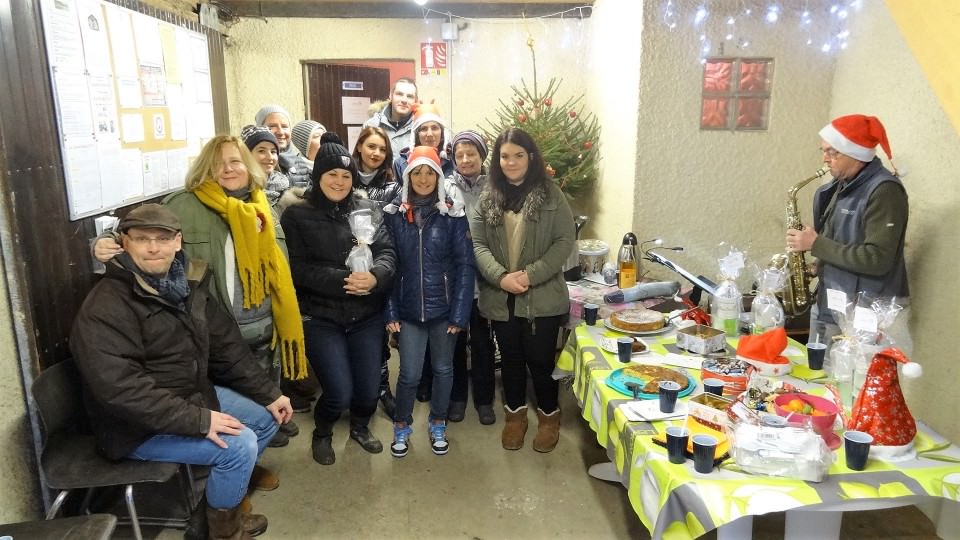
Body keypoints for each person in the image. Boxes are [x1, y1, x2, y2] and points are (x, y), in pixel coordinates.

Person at [71, 204, 293, 539]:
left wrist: (270, 393)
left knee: (265, 417)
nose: (153, 247)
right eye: (142, 238)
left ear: (178, 242)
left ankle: (223, 498)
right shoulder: (105, 306)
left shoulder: (188, 284)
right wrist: (199, 420)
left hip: (188, 396)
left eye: (162, 238)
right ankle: (221, 530)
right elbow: (122, 391)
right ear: (124, 243)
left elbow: (227, 348)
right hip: (133, 426)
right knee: (240, 445)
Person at [94, 135, 309, 451]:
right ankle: (236, 462)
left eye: (235, 161)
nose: (228, 169)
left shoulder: (262, 204)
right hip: (218, 326)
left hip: (264, 325)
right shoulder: (184, 204)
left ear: (248, 165)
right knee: (226, 415)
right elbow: (148, 228)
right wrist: (108, 239)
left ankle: (256, 452)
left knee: (263, 401)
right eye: (217, 164)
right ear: (204, 169)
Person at [281, 132, 397, 465]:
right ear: (318, 176)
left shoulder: (368, 209)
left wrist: (375, 277)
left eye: (346, 175)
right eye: (332, 173)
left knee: (367, 389)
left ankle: (360, 427)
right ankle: (323, 431)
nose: (339, 181)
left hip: (366, 315)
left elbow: (387, 252)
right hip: (322, 317)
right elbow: (297, 269)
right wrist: (344, 281)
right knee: (339, 391)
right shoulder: (297, 215)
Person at [470, 128, 574, 453]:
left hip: (541, 298)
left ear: (531, 157)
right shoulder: (488, 197)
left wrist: (530, 275)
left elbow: (563, 241)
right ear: (496, 160)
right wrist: (501, 278)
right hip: (501, 298)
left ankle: (548, 416)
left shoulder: (551, 194)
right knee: (511, 360)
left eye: (518, 155)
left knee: (541, 362)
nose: (511, 162)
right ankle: (515, 416)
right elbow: (478, 244)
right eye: (504, 156)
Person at [786, 114, 911, 353]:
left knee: (848, 383)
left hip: (865, 314)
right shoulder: (838, 186)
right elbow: (844, 241)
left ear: (856, 155)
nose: (825, 159)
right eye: (823, 151)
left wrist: (816, 244)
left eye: (833, 153)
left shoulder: (884, 190)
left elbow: (877, 259)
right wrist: (816, 266)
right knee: (819, 377)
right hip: (832, 301)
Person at [383, 146, 474, 457]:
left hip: (444, 311)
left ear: (438, 177)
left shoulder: (452, 214)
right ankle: (401, 425)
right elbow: (389, 266)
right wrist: (391, 310)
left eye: (430, 172)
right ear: (408, 176)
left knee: (443, 369)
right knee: (408, 374)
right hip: (408, 311)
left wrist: (460, 313)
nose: (423, 178)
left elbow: (464, 265)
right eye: (417, 172)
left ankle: (438, 420)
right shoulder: (394, 215)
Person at [445, 130, 498, 425]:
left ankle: (484, 399)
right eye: (460, 155)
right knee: (454, 340)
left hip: (486, 278)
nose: (465, 160)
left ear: (482, 156)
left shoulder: (495, 188)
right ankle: (457, 397)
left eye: (471, 154)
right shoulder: (445, 186)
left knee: (482, 342)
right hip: (454, 279)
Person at [351, 126, 402, 417]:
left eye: (382, 149)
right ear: (359, 147)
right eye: (371, 146)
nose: (376, 153)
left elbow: (391, 232)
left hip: (380, 269)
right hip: (349, 268)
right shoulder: (343, 178)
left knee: (378, 334)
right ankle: (358, 391)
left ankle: (383, 389)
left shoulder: (393, 186)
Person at [392, 103, 455, 181]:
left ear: (442, 133)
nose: (429, 134)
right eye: (424, 129)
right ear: (416, 135)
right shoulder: (402, 164)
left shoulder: (453, 161)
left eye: (434, 128)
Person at [255, 105, 311, 188]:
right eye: (272, 126)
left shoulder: (300, 163)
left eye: (284, 126)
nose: (280, 132)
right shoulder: (254, 164)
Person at [363, 77, 418, 157]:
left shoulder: (420, 129)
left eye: (409, 96)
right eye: (399, 94)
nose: (404, 100)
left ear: (415, 100)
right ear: (391, 96)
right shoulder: (372, 125)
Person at [240, 125, 290, 207]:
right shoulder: (238, 192)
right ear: (246, 155)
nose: (270, 157)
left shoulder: (287, 191)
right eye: (261, 151)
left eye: (273, 152)